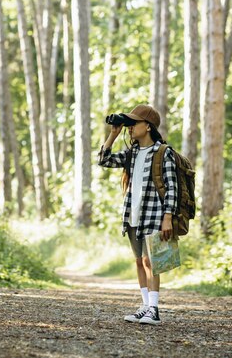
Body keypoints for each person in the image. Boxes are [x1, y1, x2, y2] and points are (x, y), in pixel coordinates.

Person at [98, 104, 177, 325]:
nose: (130, 128)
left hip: (154, 214)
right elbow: (104, 160)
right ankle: (144, 306)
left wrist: (168, 217)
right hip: (133, 214)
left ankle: (154, 309)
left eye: (134, 123)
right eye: (128, 124)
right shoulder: (132, 153)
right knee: (139, 261)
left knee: (152, 262)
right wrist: (113, 135)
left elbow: (172, 187)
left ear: (148, 127)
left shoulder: (163, 152)